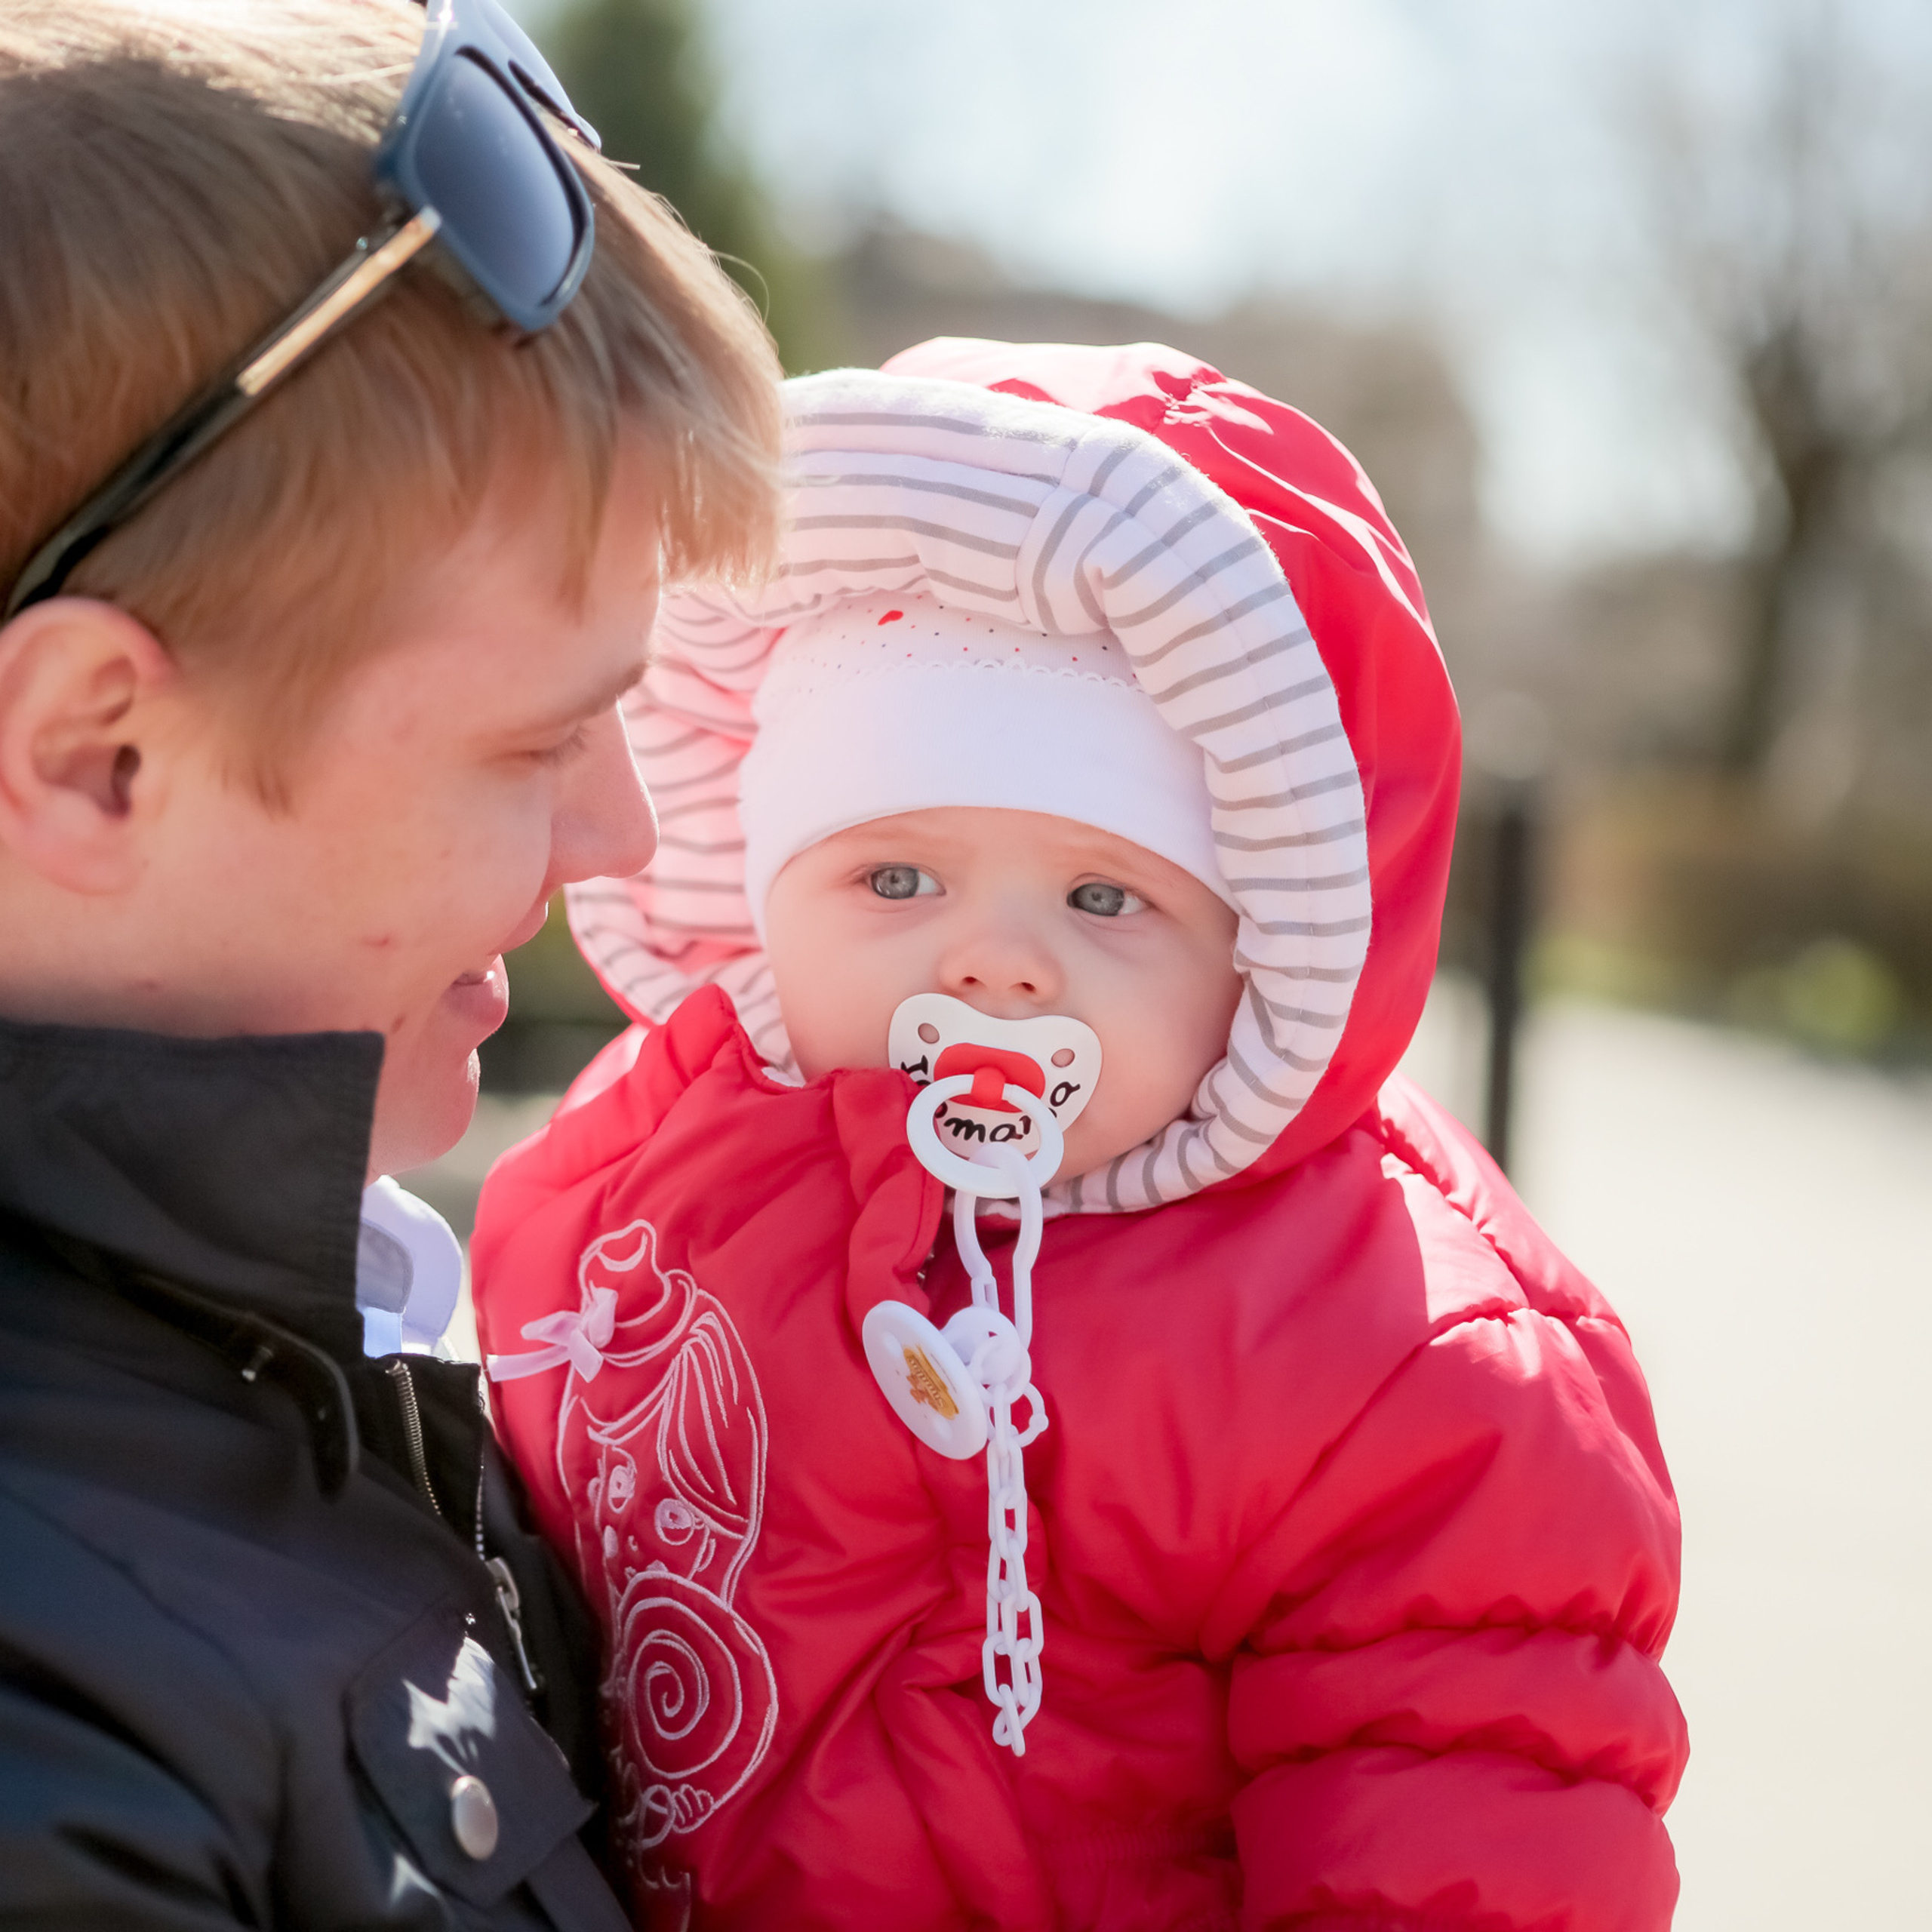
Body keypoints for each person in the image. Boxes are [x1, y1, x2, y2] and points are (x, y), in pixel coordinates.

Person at [472, 340, 1688, 1932]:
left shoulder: (1399, 1362)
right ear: (765, 888)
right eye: (893, 880)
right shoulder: (646, 1170)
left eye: (1102, 896)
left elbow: (1461, 1815)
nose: (990, 961)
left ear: (1256, 940)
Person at [0, 0, 780, 1923]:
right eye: (533, 744)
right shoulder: (54, 1703)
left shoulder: (301, 1348)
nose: (629, 837)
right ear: (99, 754)